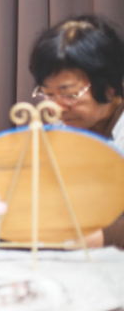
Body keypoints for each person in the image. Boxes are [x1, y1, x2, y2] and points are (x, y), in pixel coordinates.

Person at [28, 15, 124, 249]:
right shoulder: (63, 128)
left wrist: (99, 238)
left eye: (69, 94)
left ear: (109, 88)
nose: (56, 107)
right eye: (48, 94)